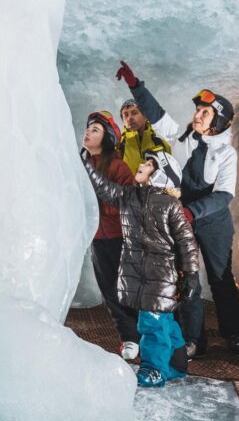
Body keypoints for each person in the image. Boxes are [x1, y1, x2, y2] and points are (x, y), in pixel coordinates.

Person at [116, 61, 239, 357]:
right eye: (198, 110)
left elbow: (224, 194)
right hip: (183, 219)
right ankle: (193, 340)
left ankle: (235, 333)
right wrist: (135, 85)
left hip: (213, 221)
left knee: (219, 277)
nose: (198, 115)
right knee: (186, 278)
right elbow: (155, 113)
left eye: (205, 112)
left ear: (219, 121)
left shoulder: (226, 153)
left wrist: (193, 211)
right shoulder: (181, 139)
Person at [80, 148, 201, 387]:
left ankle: (152, 369)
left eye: (148, 164)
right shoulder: (129, 196)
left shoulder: (170, 204)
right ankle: (177, 364)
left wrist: (192, 274)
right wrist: (85, 166)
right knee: (163, 320)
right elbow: (104, 188)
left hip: (161, 274)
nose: (141, 165)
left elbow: (186, 242)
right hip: (138, 272)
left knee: (151, 323)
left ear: (159, 175)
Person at [82, 110, 140, 360]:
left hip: (118, 237)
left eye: (95, 129)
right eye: (87, 128)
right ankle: (128, 337)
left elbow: (126, 200)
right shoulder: (80, 164)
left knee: (126, 289)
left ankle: (142, 334)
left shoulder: (118, 166)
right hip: (97, 239)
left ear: (107, 138)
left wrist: (99, 206)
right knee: (108, 290)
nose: (87, 132)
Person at [118, 98, 172, 173]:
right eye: (125, 115)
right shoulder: (118, 147)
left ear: (145, 116)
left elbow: (171, 175)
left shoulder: (161, 144)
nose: (129, 118)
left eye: (134, 113)